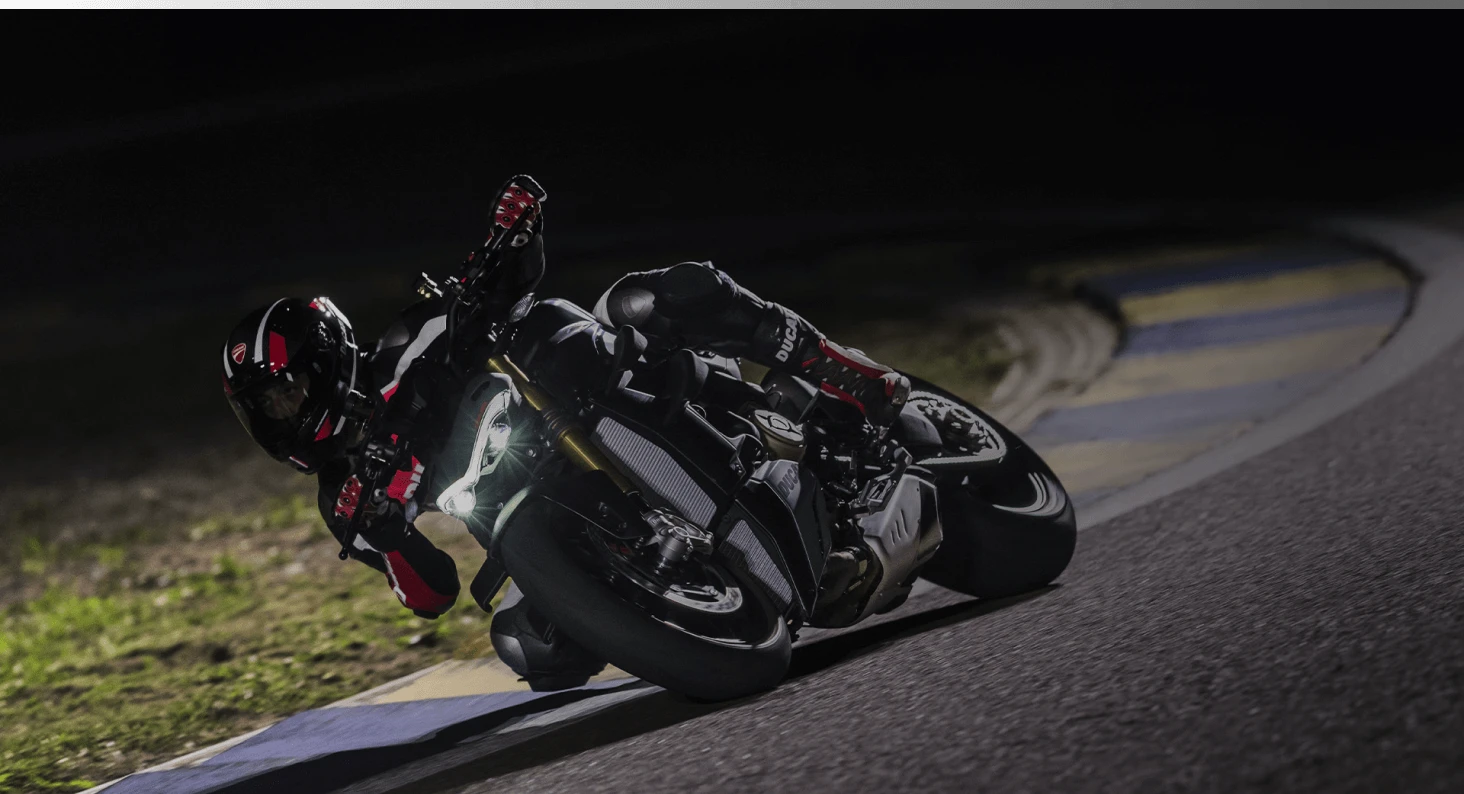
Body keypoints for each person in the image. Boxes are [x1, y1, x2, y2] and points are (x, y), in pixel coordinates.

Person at [219, 175, 911, 690]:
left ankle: (828, 369)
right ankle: (683, 583)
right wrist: (388, 533)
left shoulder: (405, 342)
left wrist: (511, 235)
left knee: (646, 298)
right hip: (532, 502)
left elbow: (496, 290)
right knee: (533, 647)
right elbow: (431, 593)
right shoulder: (341, 495)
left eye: (285, 393)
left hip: (582, 390)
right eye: (264, 409)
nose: (280, 415)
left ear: (326, 363)